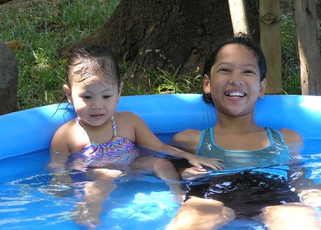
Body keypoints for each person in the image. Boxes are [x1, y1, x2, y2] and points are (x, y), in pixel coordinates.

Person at [47, 44, 223, 227]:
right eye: (87, 97)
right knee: (107, 175)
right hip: (95, 172)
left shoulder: (129, 122)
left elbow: (159, 147)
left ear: (118, 92)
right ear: (69, 94)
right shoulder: (67, 134)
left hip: (132, 165)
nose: (97, 105)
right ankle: (89, 210)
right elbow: (56, 164)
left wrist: (189, 156)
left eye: (106, 96)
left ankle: (179, 195)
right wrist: (60, 178)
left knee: (161, 163)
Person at [166, 33, 321, 230]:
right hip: (210, 193)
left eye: (247, 72)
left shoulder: (287, 139)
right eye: (225, 70)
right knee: (192, 218)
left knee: (300, 217)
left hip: (275, 193)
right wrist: (182, 171)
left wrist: (309, 191)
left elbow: (297, 175)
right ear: (207, 83)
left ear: (261, 87)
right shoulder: (191, 140)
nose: (235, 79)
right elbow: (169, 165)